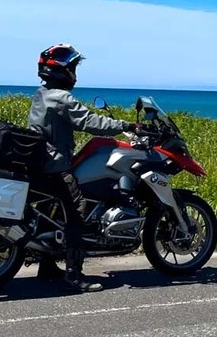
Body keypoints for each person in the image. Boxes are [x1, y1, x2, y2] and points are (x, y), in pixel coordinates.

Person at [28, 43, 137, 293]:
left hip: (42, 162)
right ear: (63, 71)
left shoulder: (41, 94)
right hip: (56, 165)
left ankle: (46, 265)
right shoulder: (62, 97)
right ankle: (74, 275)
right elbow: (89, 121)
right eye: (73, 67)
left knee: (52, 210)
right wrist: (126, 125)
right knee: (77, 211)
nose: (75, 72)